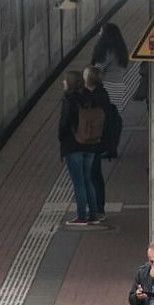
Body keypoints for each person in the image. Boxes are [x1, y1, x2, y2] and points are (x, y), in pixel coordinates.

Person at [58, 70, 105, 226]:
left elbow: (64, 123)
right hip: (90, 143)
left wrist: (61, 137)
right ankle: (93, 214)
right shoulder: (89, 96)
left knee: (78, 182)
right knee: (88, 179)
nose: (63, 83)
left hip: (74, 145)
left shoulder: (69, 100)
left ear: (70, 82)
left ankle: (81, 216)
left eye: (65, 80)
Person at [83, 65, 123, 214]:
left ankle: (96, 209)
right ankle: (98, 207)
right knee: (95, 175)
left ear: (89, 80)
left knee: (92, 176)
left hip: (94, 142)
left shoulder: (95, 98)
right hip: (98, 142)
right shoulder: (102, 94)